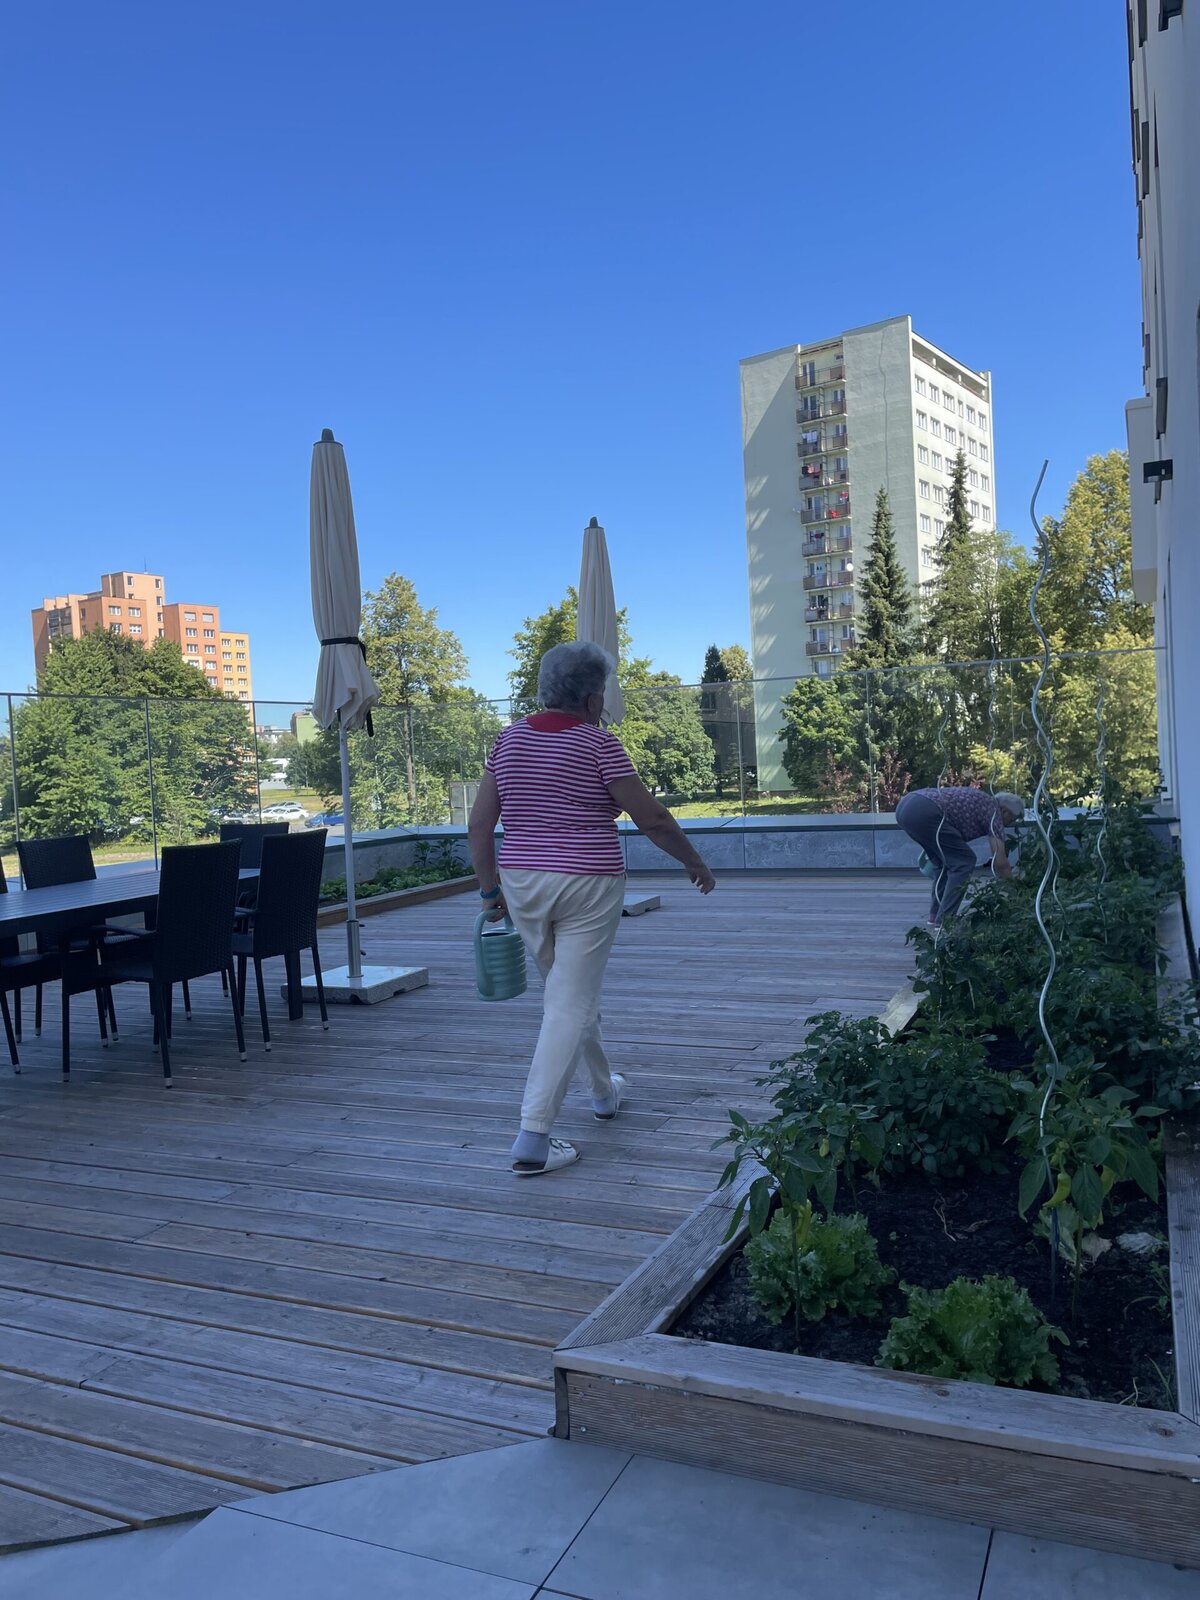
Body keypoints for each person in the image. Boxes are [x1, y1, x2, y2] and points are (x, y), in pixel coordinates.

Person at [468, 640, 716, 1177]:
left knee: (569, 995)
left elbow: (479, 824)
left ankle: (604, 1092)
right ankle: (533, 1137)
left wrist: (490, 893)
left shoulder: (508, 741)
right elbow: (652, 818)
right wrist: (694, 862)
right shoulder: (599, 744)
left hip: (522, 884)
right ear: (592, 697)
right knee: (569, 1003)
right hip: (588, 882)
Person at [894, 787, 1025, 927]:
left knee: (944, 862)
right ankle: (946, 921)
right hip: (926, 810)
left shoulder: (983, 800)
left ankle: (934, 915)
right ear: (1004, 811)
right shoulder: (994, 813)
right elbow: (1001, 864)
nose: (1009, 825)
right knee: (964, 862)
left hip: (906, 806)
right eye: (1012, 819)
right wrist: (1015, 892)